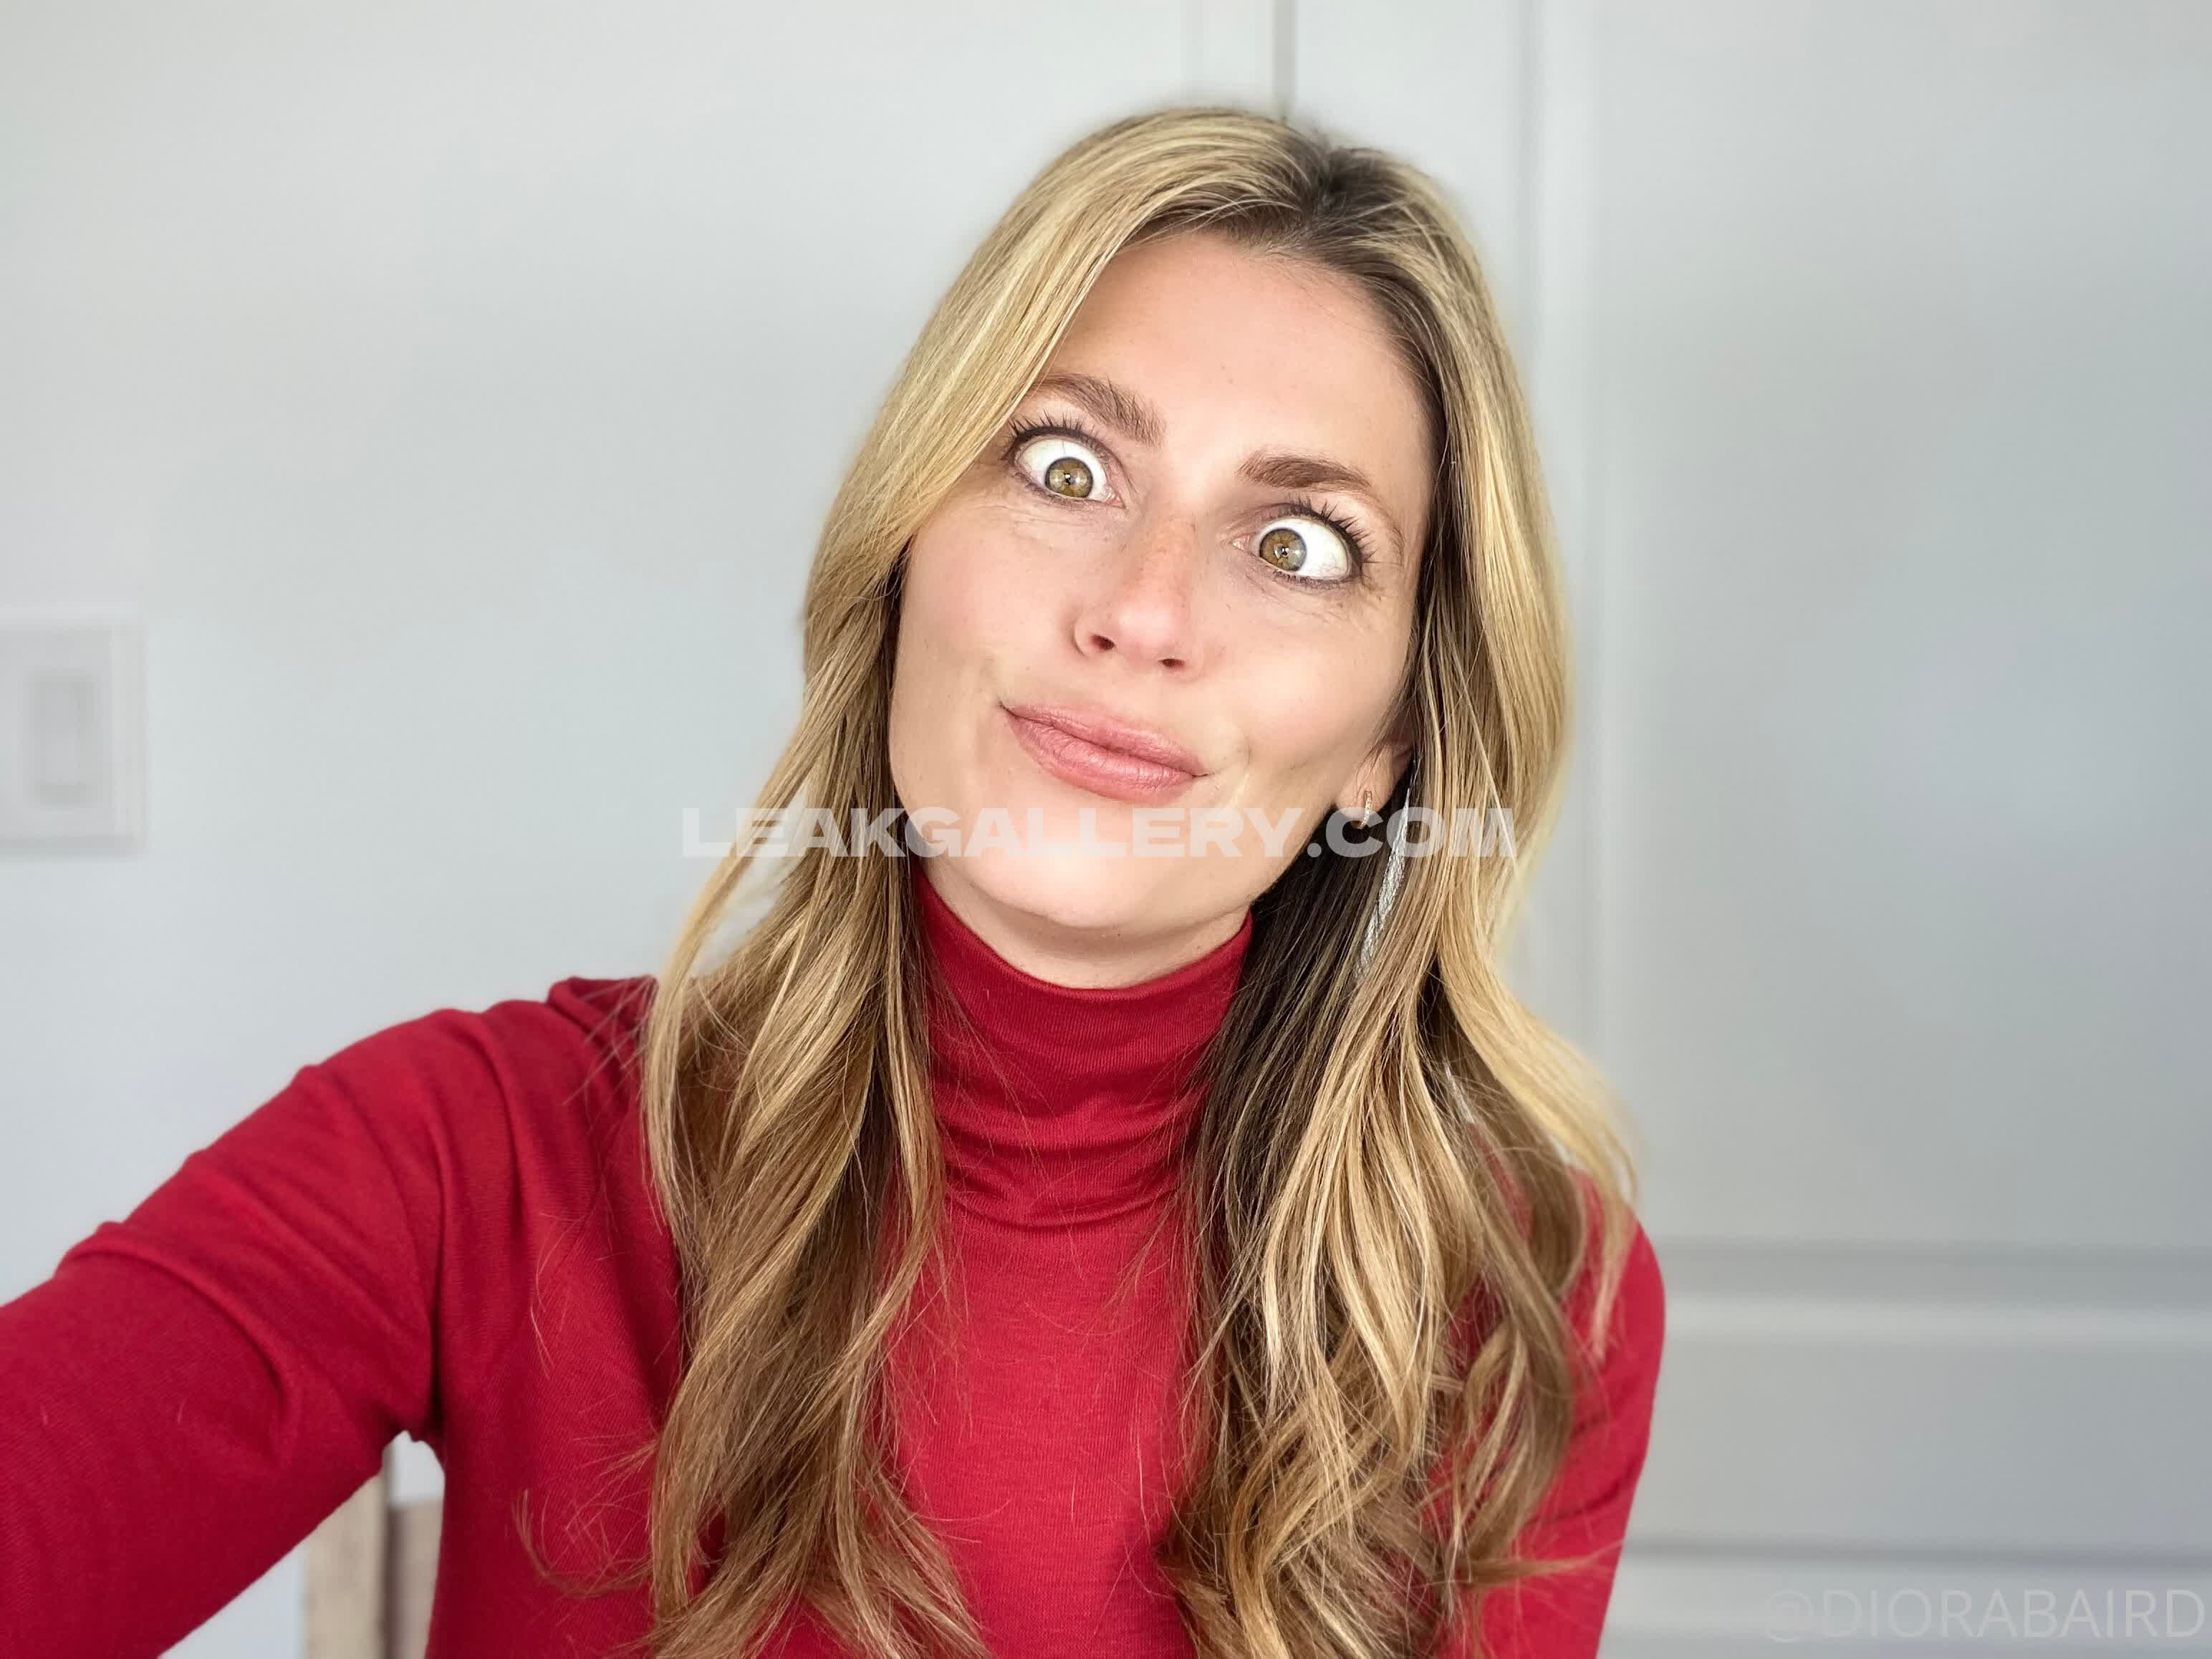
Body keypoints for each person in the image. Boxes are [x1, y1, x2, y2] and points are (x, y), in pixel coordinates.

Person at [0, 105, 1665, 1659]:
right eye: (1066, 468)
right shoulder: (473, 1157)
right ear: (904, 553)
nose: (1143, 613)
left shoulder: (1527, 1295)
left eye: (1296, 545)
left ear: (1389, 741)